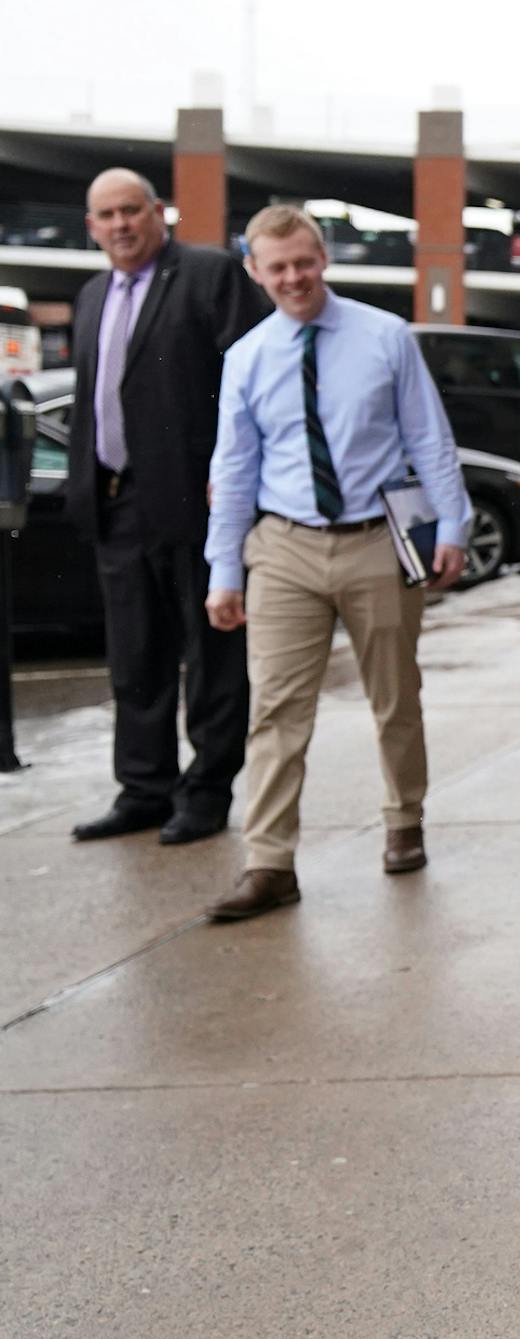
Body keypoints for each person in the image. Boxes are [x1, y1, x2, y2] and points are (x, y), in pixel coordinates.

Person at [200, 204, 468, 922]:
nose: (293, 278)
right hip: (284, 547)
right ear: (256, 271)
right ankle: (269, 862)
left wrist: (454, 525)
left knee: (394, 697)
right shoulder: (247, 358)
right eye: (277, 267)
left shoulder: (385, 337)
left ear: (323, 259)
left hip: (377, 541)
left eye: (304, 262)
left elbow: (428, 437)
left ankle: (403, 819)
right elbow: (233, 468)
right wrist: (224, 570)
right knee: (276, 712)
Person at [64, 169, 265, 846]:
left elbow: (255, 380)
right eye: (106, 216)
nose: (120, 225)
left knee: (211, 659)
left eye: (131, 211)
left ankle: (207, 792)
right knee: (135, 659)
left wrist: (239, 481)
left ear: (158, 214)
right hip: (116, 505)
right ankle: (144, 789)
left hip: (197, 503)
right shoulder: (91, 295)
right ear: (91, 227)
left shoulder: (209, 276)